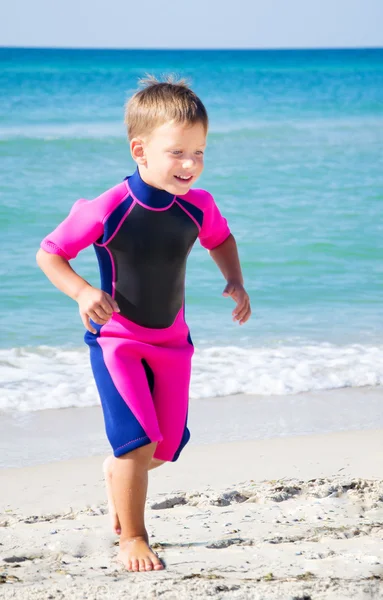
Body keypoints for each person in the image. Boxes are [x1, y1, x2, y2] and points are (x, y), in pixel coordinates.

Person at [36, 75, 251, 573]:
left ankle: (119, 472)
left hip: (174, 342)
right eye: (178, 153)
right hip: (118, 341)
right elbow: (51, 253)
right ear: (140, 150)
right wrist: (83, 291)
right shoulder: (109, 206)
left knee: (167, 445)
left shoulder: (198, 205)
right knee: (137, 442)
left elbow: (221, 239)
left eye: (199, 153)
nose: (190, 164)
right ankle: (132, 535)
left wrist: (235, 281)